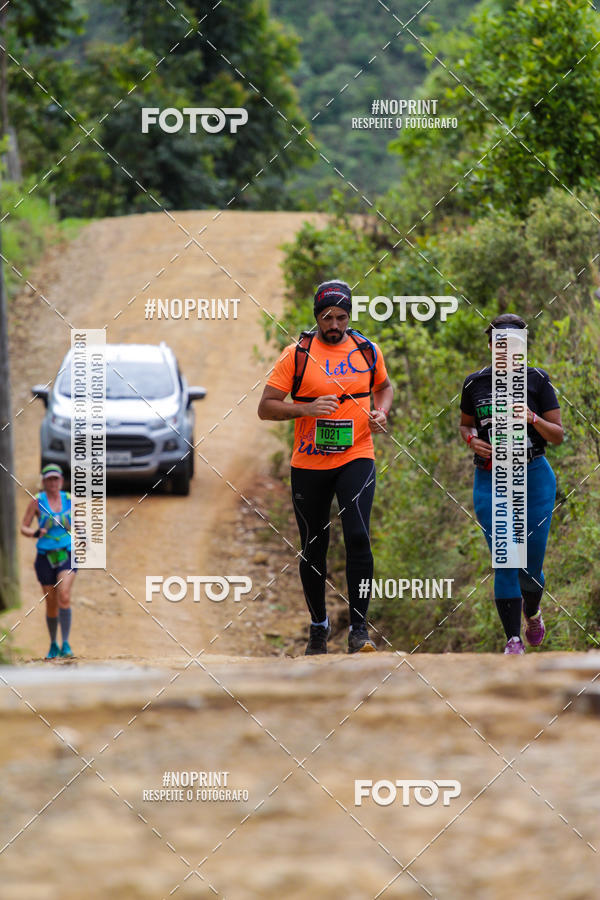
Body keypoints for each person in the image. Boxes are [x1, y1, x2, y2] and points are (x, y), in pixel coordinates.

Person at [258, 279, 393, 654]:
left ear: (350, 316)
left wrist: (381, 411)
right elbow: (266, 407)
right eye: (327, 318)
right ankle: (319, 626)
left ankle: (359, 629)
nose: (334, 325)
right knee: (314, 547)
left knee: (358, 536)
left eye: (341, 317)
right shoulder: (296, 355)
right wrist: (305, 408)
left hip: (357, 454)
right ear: (317, 317)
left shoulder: (367, 349)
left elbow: (384, 387)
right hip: (309, 462)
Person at [459, 313, 564, 655]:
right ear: (490, 346)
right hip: (490, 478)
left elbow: (558, 436)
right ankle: (513, 641)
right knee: (505, 557)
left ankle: (532, 612)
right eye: (501, 345)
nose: (507, 352)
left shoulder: (538, 381)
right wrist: (472, 440)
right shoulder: (474, 384)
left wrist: (532, 418)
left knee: (529, 567)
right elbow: (466, 426)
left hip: (533, 477)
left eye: (515, 346)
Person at [20, 464, 77, 659]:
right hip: (45, 556)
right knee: (51, 602)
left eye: (56, 479)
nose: (53, 483)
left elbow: (81, 523)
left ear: (61, 481)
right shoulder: (37, 502)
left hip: (66, 552)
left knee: (65, 594)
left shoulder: (70, 500)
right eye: (49, 480)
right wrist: (35, 533)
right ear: (44, 482)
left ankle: (66, 644)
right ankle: (54, 644)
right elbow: (24, 527)